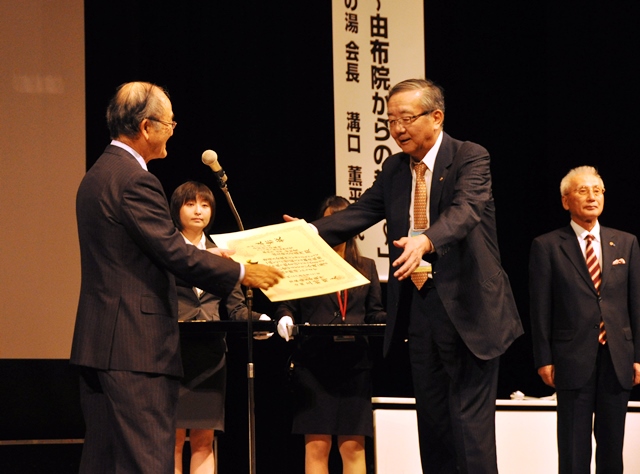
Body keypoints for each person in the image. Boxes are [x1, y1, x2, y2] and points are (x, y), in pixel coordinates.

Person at [287, 78, 523, 473]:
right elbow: (359, 214)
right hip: (422, 310)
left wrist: (425, 241)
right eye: (391, 120)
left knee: (469, 429)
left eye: (406, 119)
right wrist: (306, 232)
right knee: (432, 428)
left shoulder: (469, 157)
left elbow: (466, 211)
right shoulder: (396, 168)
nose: (397, 129)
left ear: (436, 117)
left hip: (472, 312)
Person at [70, 81, 283, 474]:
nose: (173, 130)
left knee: (104, 461)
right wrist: (240, 271)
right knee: (146, 460)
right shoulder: (136, 179)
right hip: (136, 347)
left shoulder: (97, 175)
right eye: (169, 123)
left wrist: (206, 256)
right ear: (147, 126)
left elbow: (139, 252)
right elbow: (171, 250)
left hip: (100, 342)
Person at [529, 166, 640, 473]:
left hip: (617, 357)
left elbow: (635, 304)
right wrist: (544, 359)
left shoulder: (626, 242)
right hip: (570, 359)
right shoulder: (547, 246)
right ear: (566, 201)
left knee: (611, 448)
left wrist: (638, 356)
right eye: (583, 191)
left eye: (598, 190)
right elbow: (540, 309)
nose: (592, 197)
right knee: (574, 448)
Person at [277, 196, 386, 474]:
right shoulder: (305, 263)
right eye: (329, 221)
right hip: (314, 364)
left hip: (355, 365)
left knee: (353, 446)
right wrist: (285, 317)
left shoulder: (367, 266)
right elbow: (288, 304)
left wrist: (392, 320)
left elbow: (374, 312)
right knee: (316, 445)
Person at [170, 181, 271, 474]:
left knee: (204, 440)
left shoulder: (224, 253)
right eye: (190, 204)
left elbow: (237, 309)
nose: (198, 210)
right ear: (177, 209)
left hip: (211, 356)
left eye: (205, 204)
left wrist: (258, 320)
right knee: (172, 440)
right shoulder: (167, 248)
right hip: (172, 354)